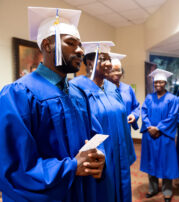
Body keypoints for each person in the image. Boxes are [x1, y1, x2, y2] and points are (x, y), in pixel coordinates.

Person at [0, 7, 105, 201]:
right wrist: (72, 167)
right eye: (71, 43)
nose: (80, 50)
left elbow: (95, 136)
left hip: (80, 192)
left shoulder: (78, 94)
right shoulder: (18, 95)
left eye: (81, 45)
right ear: (47, 45)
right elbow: (10, 165)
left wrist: (99, 157)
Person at [70, 41, 135, 202]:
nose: (109, 64)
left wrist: (126, 151)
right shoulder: (76, 88)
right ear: (90, 62)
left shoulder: (112, 88)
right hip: (100, 155)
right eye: (103, 59)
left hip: (119, 151)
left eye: (109, 59)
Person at [140, 69, 179, 202]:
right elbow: (143, 112)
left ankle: (167, 191)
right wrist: (150, 127)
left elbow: (172, 116)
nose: (158, 84)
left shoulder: (172, 99)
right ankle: (153, 188)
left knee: (166, 163)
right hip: (150, 135)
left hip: (164, 136)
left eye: (161, 82)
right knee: (151, 162)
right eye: (156, 82)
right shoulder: (149, 97)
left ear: (165, 83)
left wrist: (159, 128)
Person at [108, 52, 140, 131]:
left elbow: (135, 106)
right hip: (110, 129)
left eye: (118, 70)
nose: (116, 73)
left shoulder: (128, 89)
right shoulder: (102, 89)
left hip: (125, 129)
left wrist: (134, 115)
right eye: (112, 71)